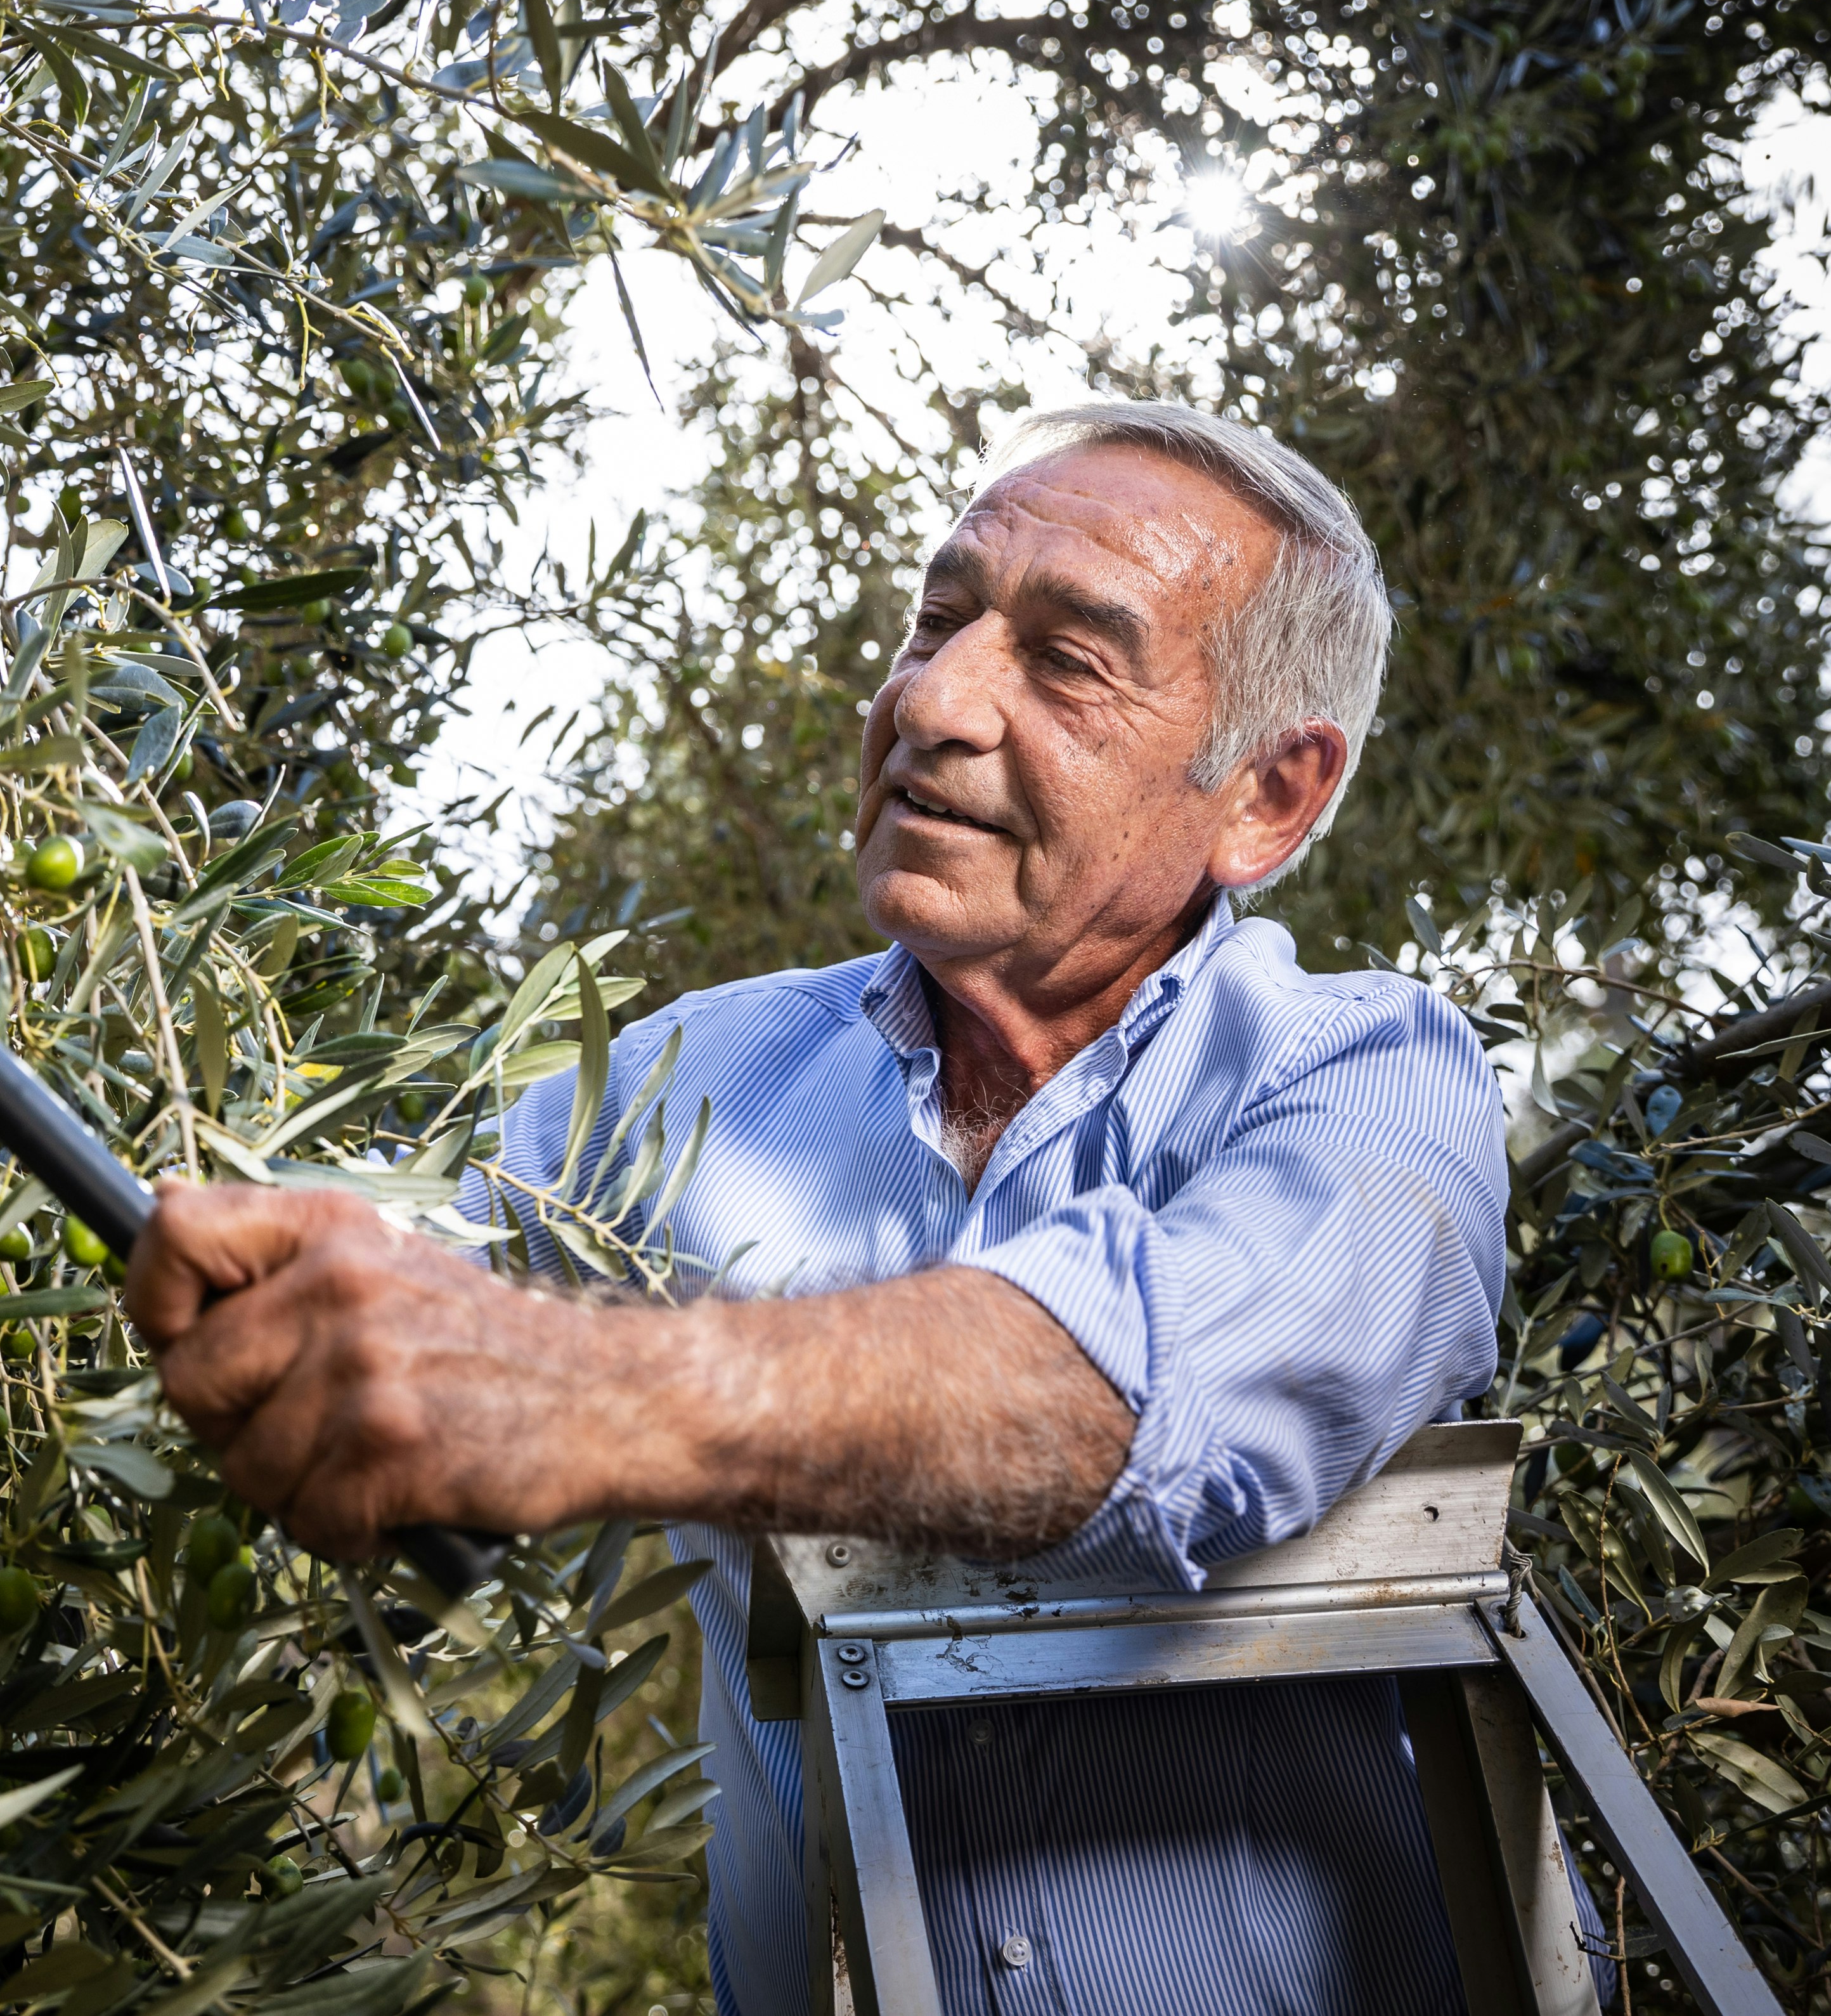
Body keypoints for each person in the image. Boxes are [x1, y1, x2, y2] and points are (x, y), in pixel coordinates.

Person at [124, 401, 1563, 2015]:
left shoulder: (1367, 1075)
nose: (932, 701)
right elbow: (329, 1283)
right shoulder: (670, 1082)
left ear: (1267, 798)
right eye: (938, 621)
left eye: (1069, 661)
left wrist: (586, 1390)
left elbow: (1144, 1387)